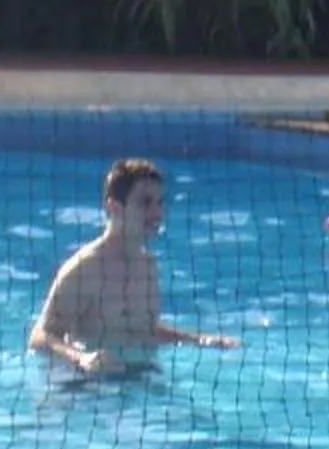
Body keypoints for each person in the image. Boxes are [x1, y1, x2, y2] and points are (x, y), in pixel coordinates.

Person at [30, 158, 239, 376]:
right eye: (145, 203)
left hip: (140, 373)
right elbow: (40, 336)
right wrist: (81, 359)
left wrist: (199, 340)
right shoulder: (84, 269)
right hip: (87, 384)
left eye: (159, 203)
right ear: (114, 208)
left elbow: (139, 330)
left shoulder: (147, 266)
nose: (157, 213)